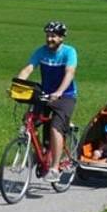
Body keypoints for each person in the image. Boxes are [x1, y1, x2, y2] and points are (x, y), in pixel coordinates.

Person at [16, 20, 77, 181]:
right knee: (28, 122)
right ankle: (39, 154)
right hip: (45, 94)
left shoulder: (69, 52)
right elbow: (29, 68)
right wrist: (17, 84)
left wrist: (59, 92)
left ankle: (55, 168)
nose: (49, 39)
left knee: (55, 128)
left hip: (65, 95)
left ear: (62, 38)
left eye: (54, 36)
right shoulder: (41, 51)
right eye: (48, 36)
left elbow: (69, 73)